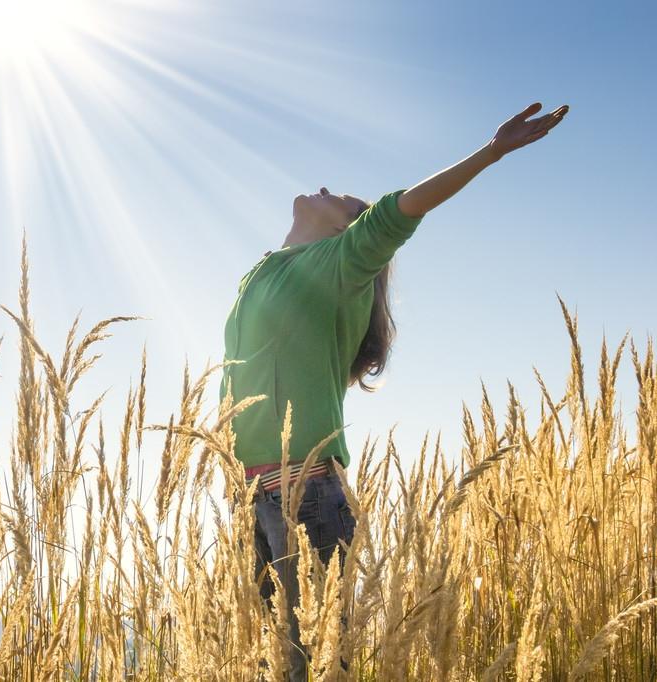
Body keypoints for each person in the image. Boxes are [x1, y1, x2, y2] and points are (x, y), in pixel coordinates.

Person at [220, 102, 569, 680]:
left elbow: (399, 212)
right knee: (277, 668)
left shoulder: (338, 267)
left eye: (346, 202)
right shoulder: (261, 272)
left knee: (320, 666)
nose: (328, 188)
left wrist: (491, 150)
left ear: (350, 232)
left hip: (305, 497)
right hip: (251, 499)